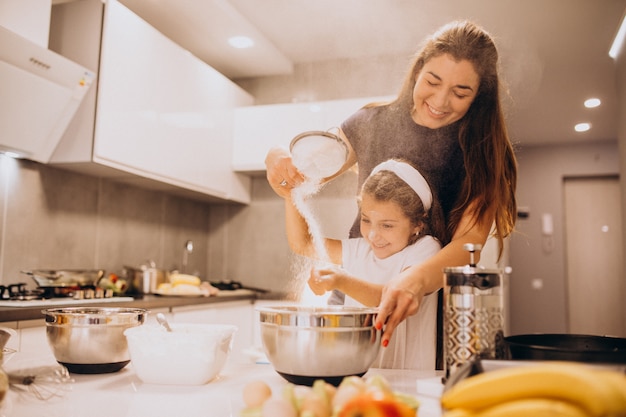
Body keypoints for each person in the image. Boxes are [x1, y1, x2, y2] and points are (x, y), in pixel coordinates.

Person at [265, 20, 517, 365]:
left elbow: (468, 242)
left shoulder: (484, 150)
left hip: (427, 307)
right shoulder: (370, 121)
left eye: (461, 93)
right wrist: (277, 156)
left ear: (480, 95)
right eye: (432, 81)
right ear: (417, 71)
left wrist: (412, 281)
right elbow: (308, 165)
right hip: (353, 302)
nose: (441, 101)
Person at [284, 158, 445, 369]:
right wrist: (290, 194)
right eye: (366, 220)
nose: (373, 235)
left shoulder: (426, 249)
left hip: (411, 378)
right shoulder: (360, 249)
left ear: (417, 223)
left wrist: (340, 281)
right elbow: (303, 244)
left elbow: (392, 299)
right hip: (361, 375)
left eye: (387, 225)